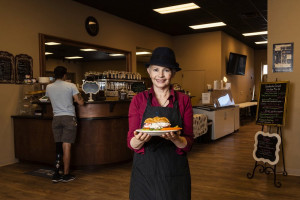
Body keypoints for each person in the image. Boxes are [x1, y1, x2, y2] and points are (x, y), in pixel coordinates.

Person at [127, 47, 194, 200]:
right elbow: (131, 143)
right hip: (145, 172)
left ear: (173, 73)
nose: (161, 75)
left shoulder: (183, 100)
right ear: (149, 72)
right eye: (156, 69)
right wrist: (140, 138)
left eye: (166, 70)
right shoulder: (138, 100)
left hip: (174, 171)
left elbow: (189, 143)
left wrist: (176, 139)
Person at [45, 66, 84, 183]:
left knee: (58, 145)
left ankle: (56, 174)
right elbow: (80, 102)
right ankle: (66, 174)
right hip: (68, 118)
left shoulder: (49, 87)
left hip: (56, 118)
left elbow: (48, 99)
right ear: (65, 75)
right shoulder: (71, 86)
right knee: (66, 146)